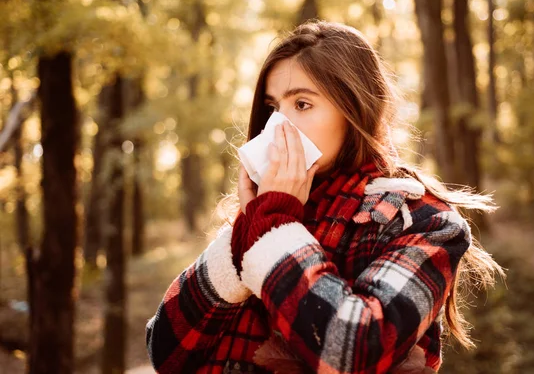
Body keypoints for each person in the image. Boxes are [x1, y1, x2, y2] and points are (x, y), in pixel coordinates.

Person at [145, 20, 505, 374]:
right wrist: (248, 228)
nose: (277, 127)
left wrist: (273, 228)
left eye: (302, 104)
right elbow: (165, 352)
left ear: (355, 110)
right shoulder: (263, 214)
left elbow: (353, 352)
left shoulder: (426, 222)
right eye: (273, 108)